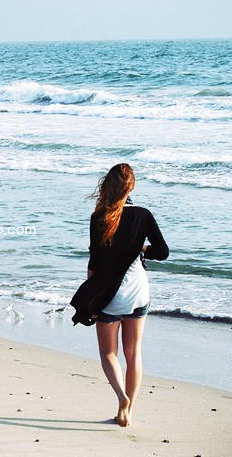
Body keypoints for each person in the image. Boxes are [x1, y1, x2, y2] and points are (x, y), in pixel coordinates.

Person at [70, 163, 168, 427]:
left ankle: (121, 396)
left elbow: (94, 262)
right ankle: (128, 412)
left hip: (109, 296)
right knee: (133, 354)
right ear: (131, 187)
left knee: (108, 353)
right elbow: (163, 252)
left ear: (108, 186)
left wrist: (91, 298)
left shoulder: (99, 217)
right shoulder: (143, 215)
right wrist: (142, 249)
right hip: (138, 292)